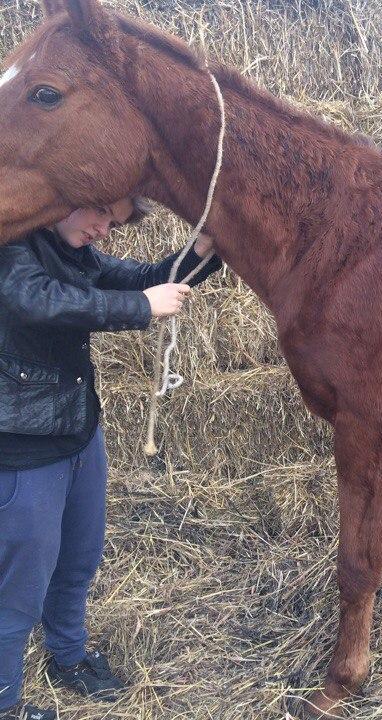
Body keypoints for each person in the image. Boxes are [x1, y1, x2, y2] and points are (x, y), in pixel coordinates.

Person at [0, 198, 222, 720]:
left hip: (79, 432)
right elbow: (41, 300)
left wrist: (203, 252)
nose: (103, 229)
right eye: (97, 214)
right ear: (61, 197)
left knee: (78, 559)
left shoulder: (77, 252)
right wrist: (143, 307)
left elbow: (145, 276)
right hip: (24, 446)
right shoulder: (11, 242)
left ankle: (69, 656)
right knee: (17, 591)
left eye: (114, 223)